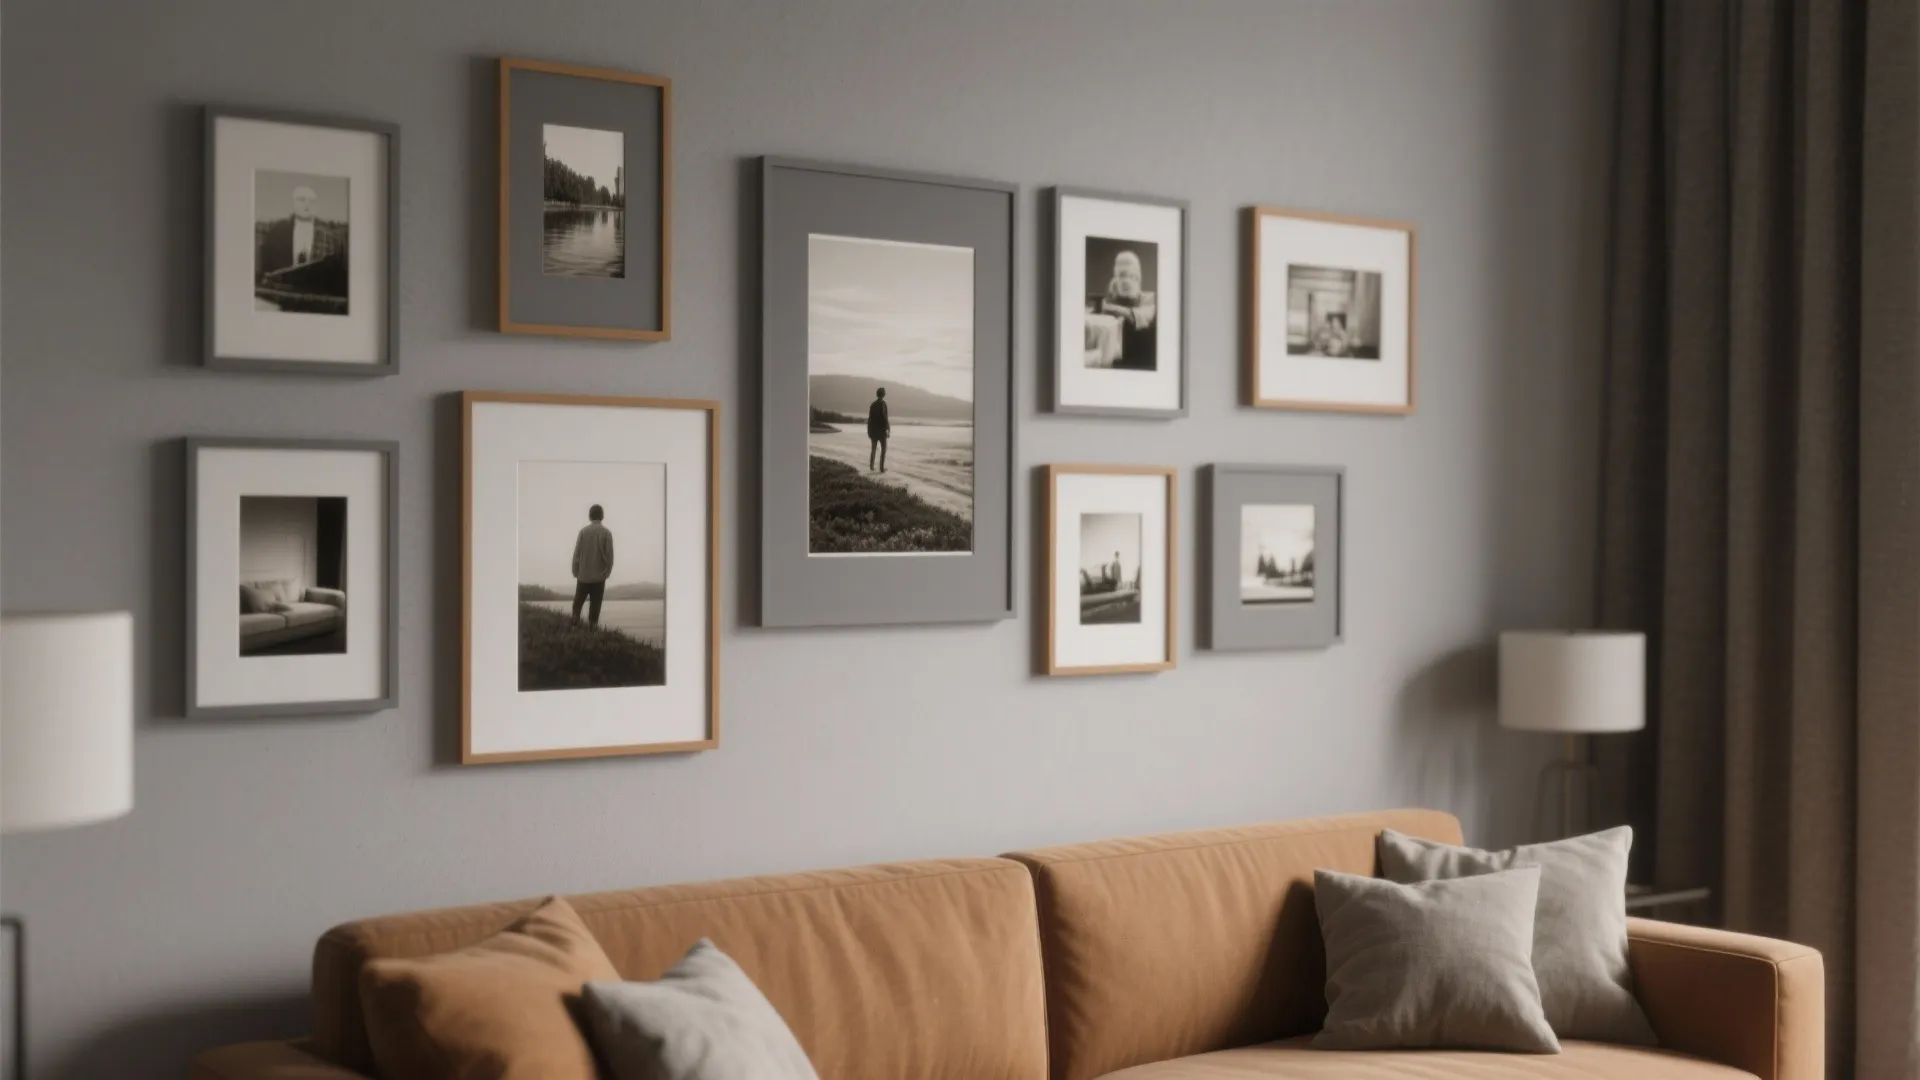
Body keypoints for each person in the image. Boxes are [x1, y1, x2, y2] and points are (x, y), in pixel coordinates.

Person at [256, 183, 349, 311]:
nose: (307, 204)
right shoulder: (276, 230)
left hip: (318, 300)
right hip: (281, 297)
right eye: (301, 199)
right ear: (293, 203)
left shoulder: (332, 236)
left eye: (311, 201)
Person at [1087, 250, 1157, 370]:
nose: (1127, 281)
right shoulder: (1113, 299)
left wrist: (1106, 306)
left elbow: (1134, 316)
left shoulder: (1151, 299)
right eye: (1121, 276)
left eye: (1132, 276)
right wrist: (1110, 295)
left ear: (1139, 278)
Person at [570, 504, 615, 626]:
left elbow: (577, 553)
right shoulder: (607, 533)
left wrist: (575, 570)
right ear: (602, 516)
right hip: (599, 576)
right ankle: (592, 630)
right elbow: (609, 556)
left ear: (590, 516)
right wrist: (607, 572)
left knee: (577, 604)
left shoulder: (583, 532)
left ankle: (574, 627)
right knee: (595, 606)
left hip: (583, 575)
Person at [867, 387, 890, 472]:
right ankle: (881, 468)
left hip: (875, 431)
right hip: (881, 431)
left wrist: (869, 431)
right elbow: (886, 418)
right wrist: (888, 429)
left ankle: (872, 466)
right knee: (883, 450)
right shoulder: (883, 404)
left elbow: (870, 419)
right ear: (883, 395)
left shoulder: (873, 405)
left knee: (874, 449)